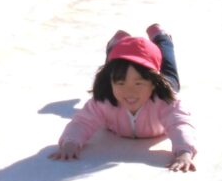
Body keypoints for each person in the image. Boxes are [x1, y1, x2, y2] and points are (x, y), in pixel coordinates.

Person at [50, 25, 196, 172]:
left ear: (153, 84)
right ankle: (118, 44)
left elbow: (180, 124)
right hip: (121, 72)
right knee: (117, 67)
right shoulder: (104, 102)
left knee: (171, 77)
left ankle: (161, 38)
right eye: (120, 83)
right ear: (111, 82)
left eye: (138, 83)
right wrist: (71, 143)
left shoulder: (166, 101)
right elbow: (82, 121)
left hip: (161, 80)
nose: (129, 91)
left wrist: (184, 152)